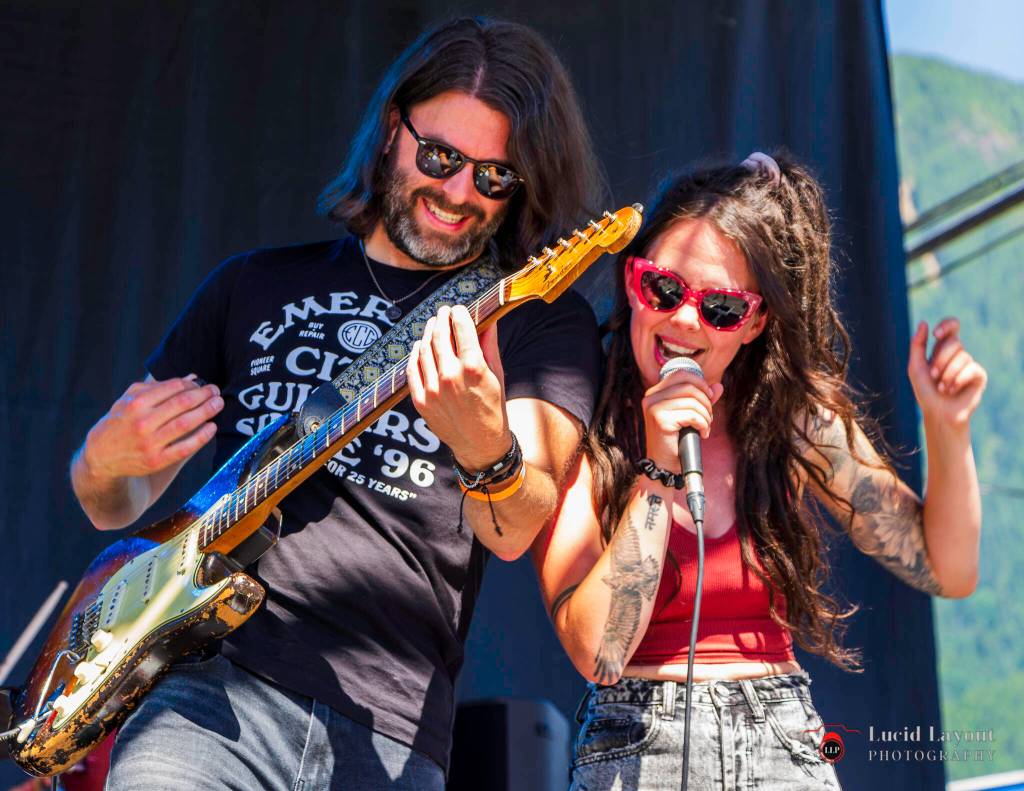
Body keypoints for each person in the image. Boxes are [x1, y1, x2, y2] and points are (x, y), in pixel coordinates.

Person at [70, 17, 605, 790]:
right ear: (393, 129)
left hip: (391, 724)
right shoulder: (252, 284)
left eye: (493, 177)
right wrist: (102, 461)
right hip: (209, 689)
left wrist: (485, 445)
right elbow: (114, 504)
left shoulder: (534, 319)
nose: (459, 193)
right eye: (442, 156)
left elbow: (515, 525)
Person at [532, 152, 986, 790]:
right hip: (638, 747)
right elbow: (598, 652)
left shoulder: (789, 420)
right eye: (663, 288)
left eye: (720, 308)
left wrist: (948, 425)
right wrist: (660, 467)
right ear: (632, 280)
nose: (685, 319)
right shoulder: (576, 413)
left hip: (782, 742)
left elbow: (949, 567)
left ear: (754, 323)